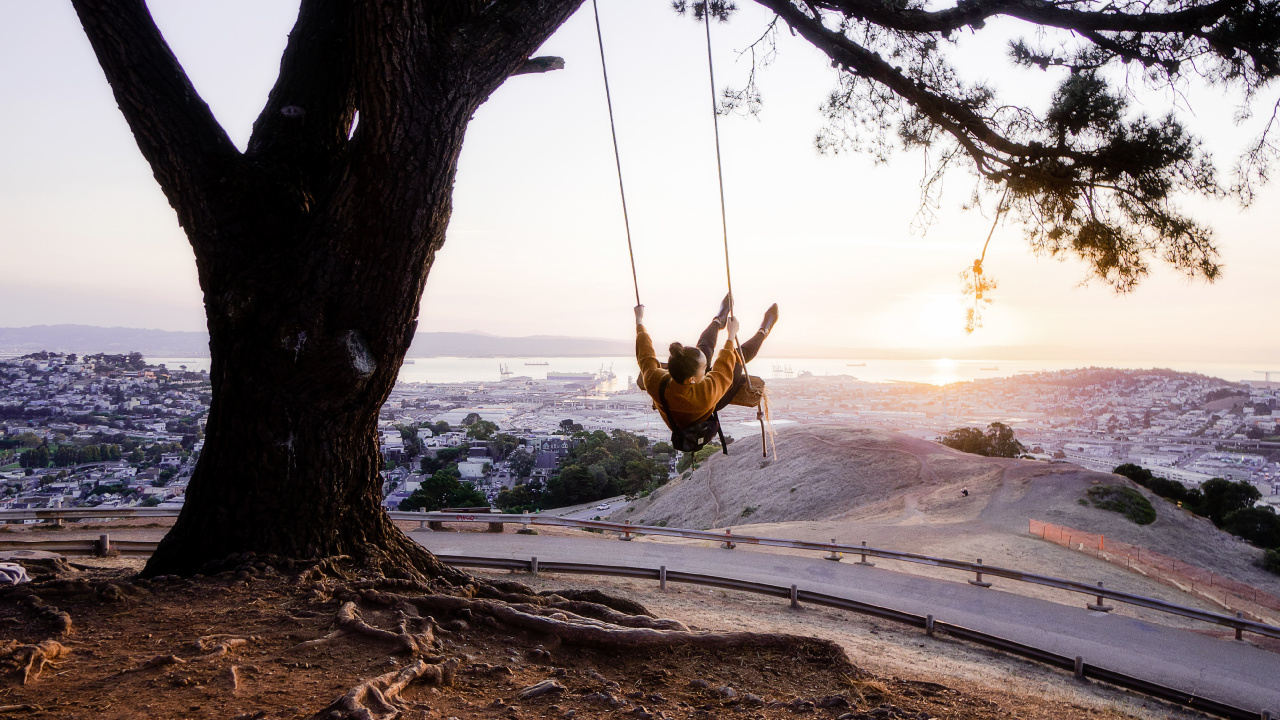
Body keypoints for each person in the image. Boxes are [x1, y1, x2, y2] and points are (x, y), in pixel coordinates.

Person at [634, 294, 779, 440]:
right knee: (738, 359)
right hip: (702, 414)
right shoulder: (705, 394)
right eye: (704, 368)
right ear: (692, 379)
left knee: (704, 347)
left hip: (678, 412)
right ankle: (763, 331)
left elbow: (645, 354)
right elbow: (725, 365)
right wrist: (731, 334)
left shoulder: (654, 379)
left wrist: (639, 319)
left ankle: (718, 321)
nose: (707, 368)